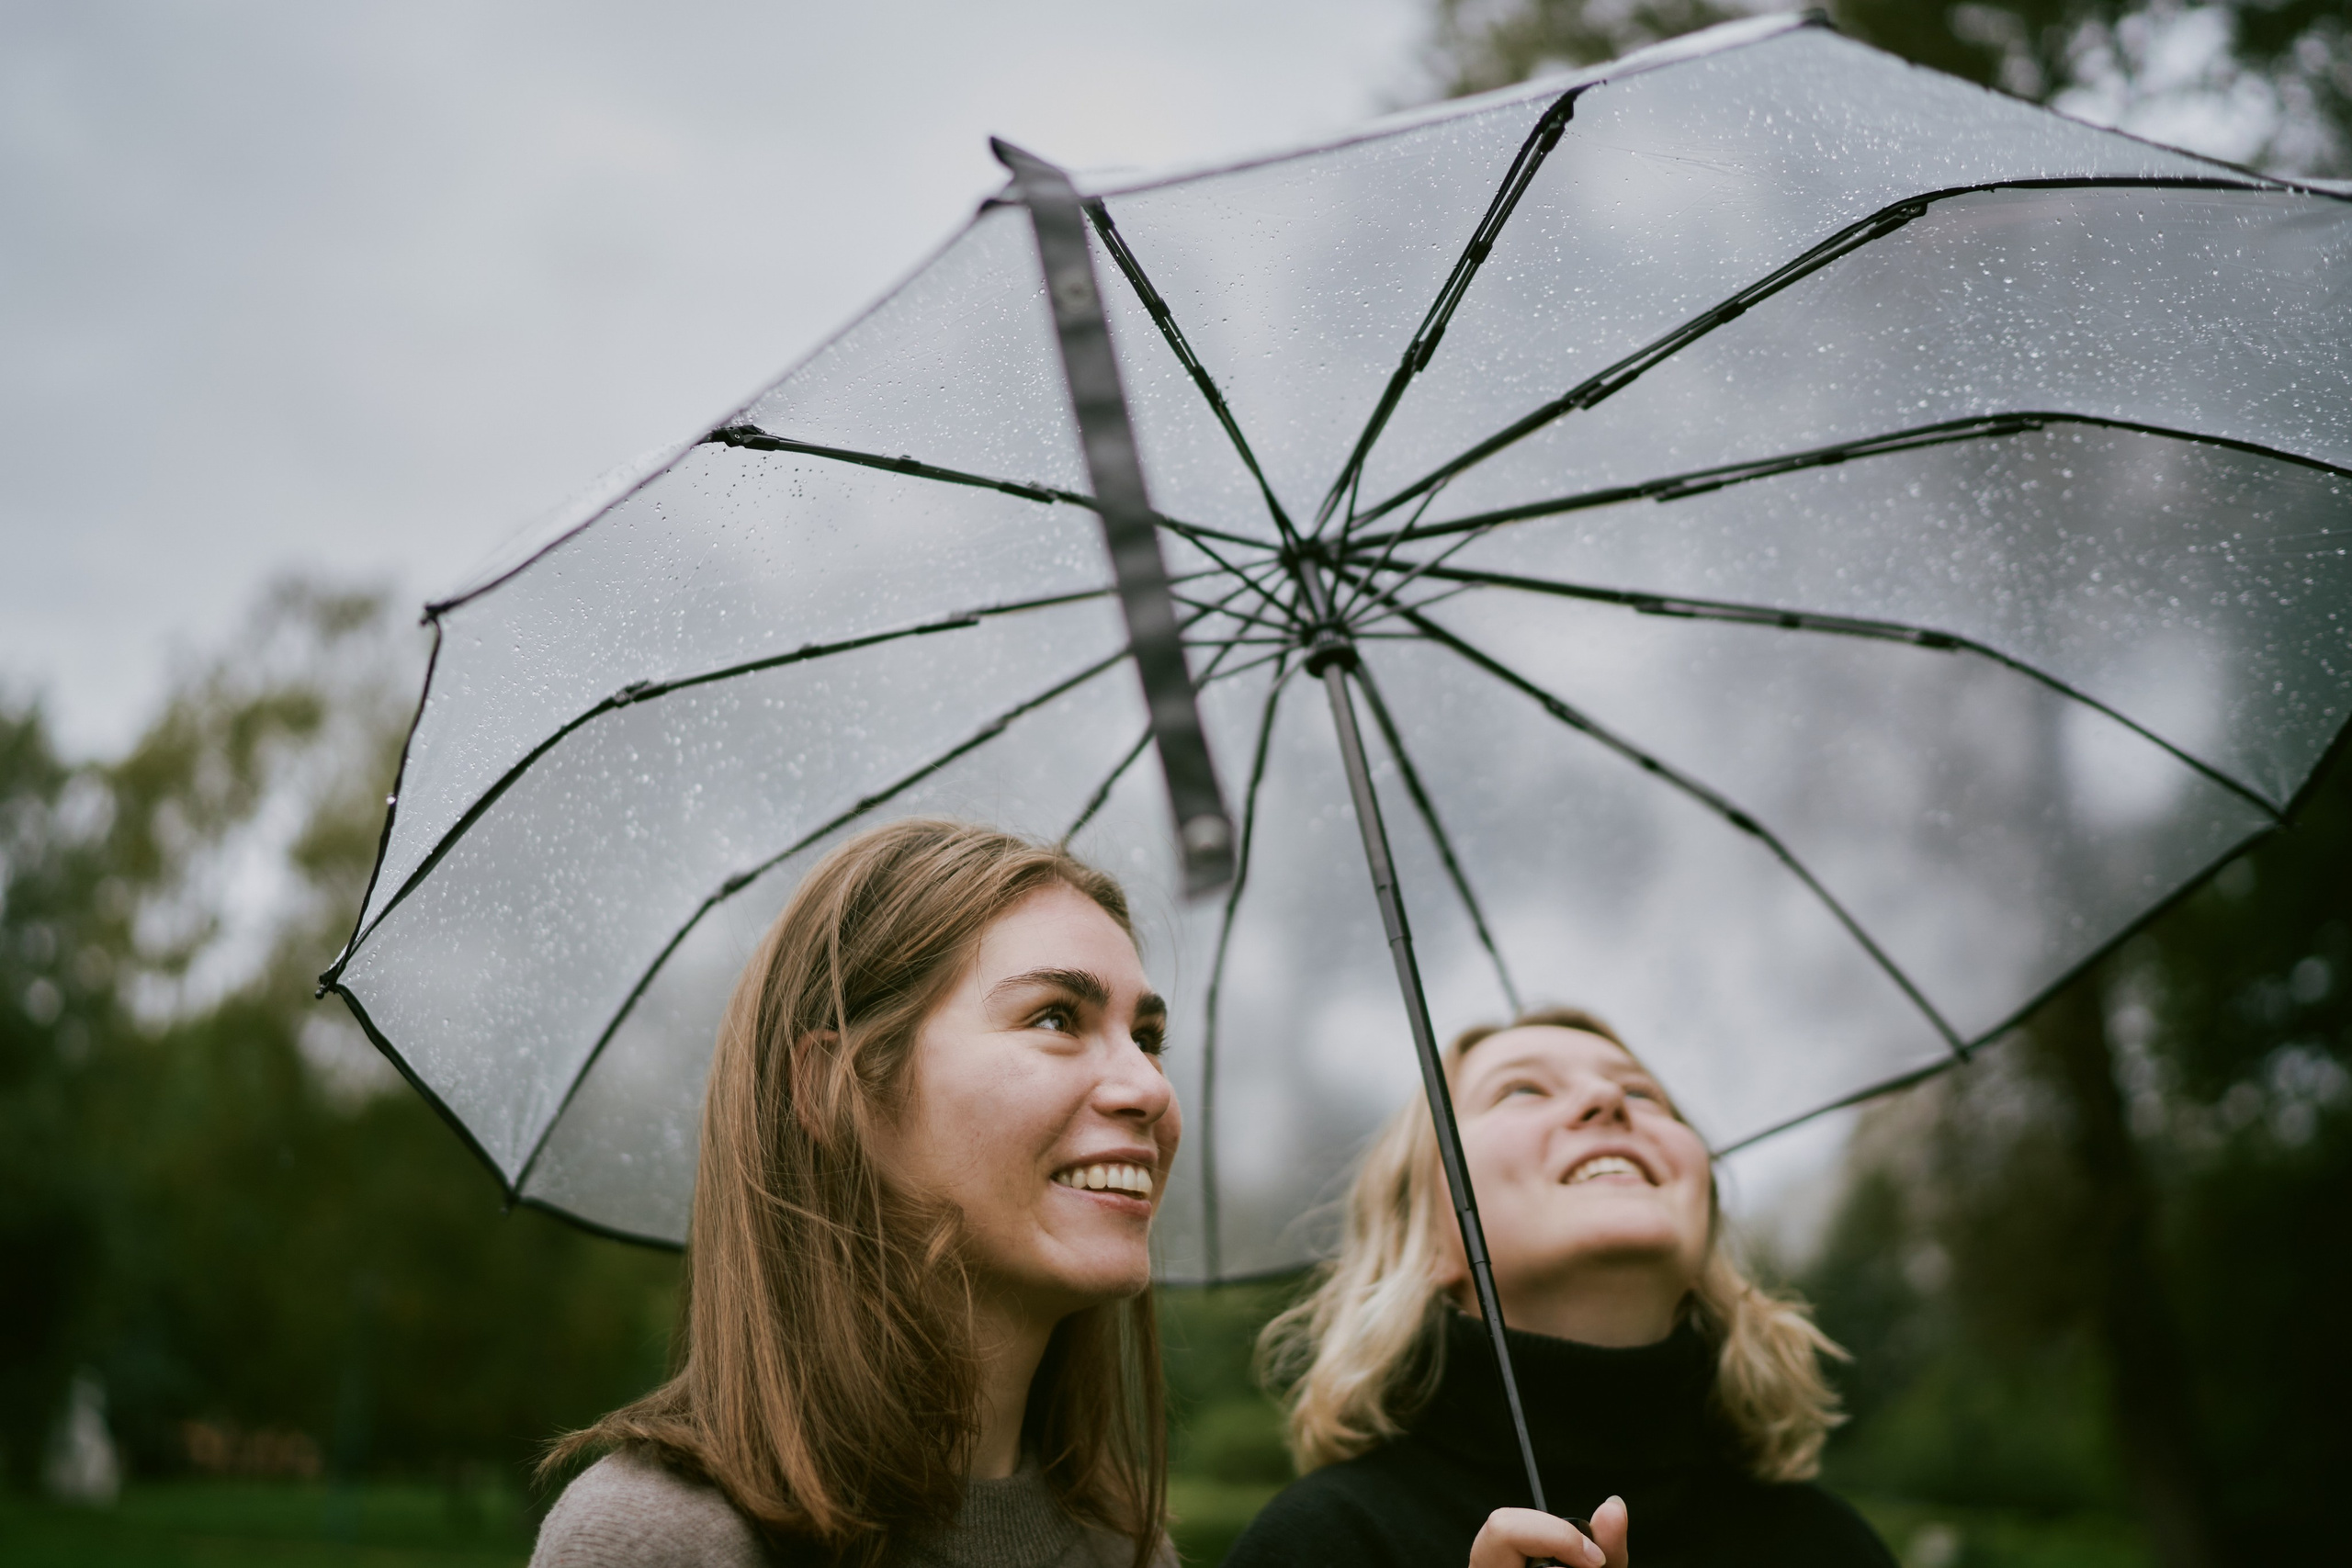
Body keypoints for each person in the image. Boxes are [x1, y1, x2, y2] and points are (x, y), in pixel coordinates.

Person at [531, 819, 1181, 1568]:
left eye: (1148, 1037)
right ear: (836, 1090)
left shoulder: (1128, 1547)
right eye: (1056, 1018)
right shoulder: (668, 1540)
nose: (1149, 1086)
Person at [1227, 1007, 1896, 1568]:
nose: (1606, 1101)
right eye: (1522, 1090)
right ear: (1428, 1235)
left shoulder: (1827, 1545)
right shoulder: (1325, 1542)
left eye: (1643, 1094)